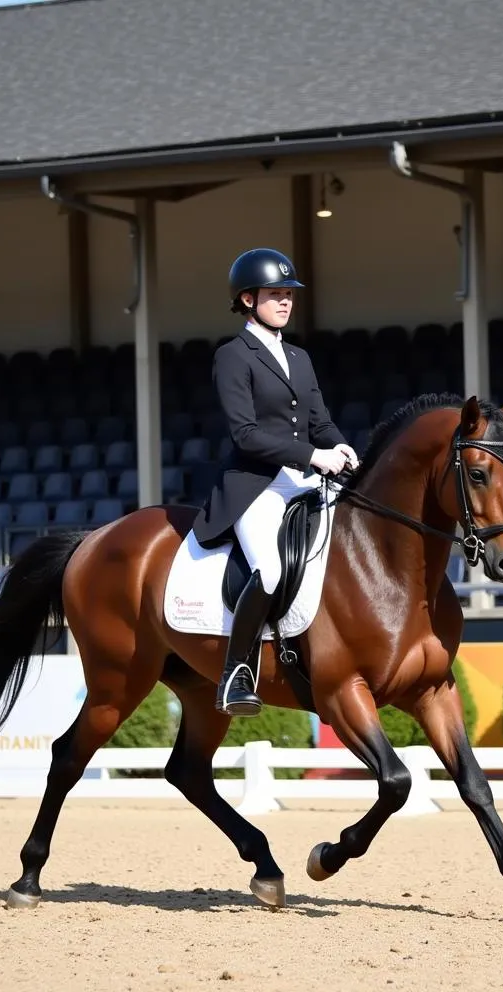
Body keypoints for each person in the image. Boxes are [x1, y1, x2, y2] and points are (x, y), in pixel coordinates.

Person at [191, 247, 358, 717]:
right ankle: (235, 672)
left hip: (303, 481)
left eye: (289, 295)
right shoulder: (232, 356)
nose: (285, 302)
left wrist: (343, 450)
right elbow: (245, 434)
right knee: (272, 568)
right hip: (255, 487)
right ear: (247, 300)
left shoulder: (299, 358)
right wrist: (313, 455)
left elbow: (319, 422)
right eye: (275, 295)